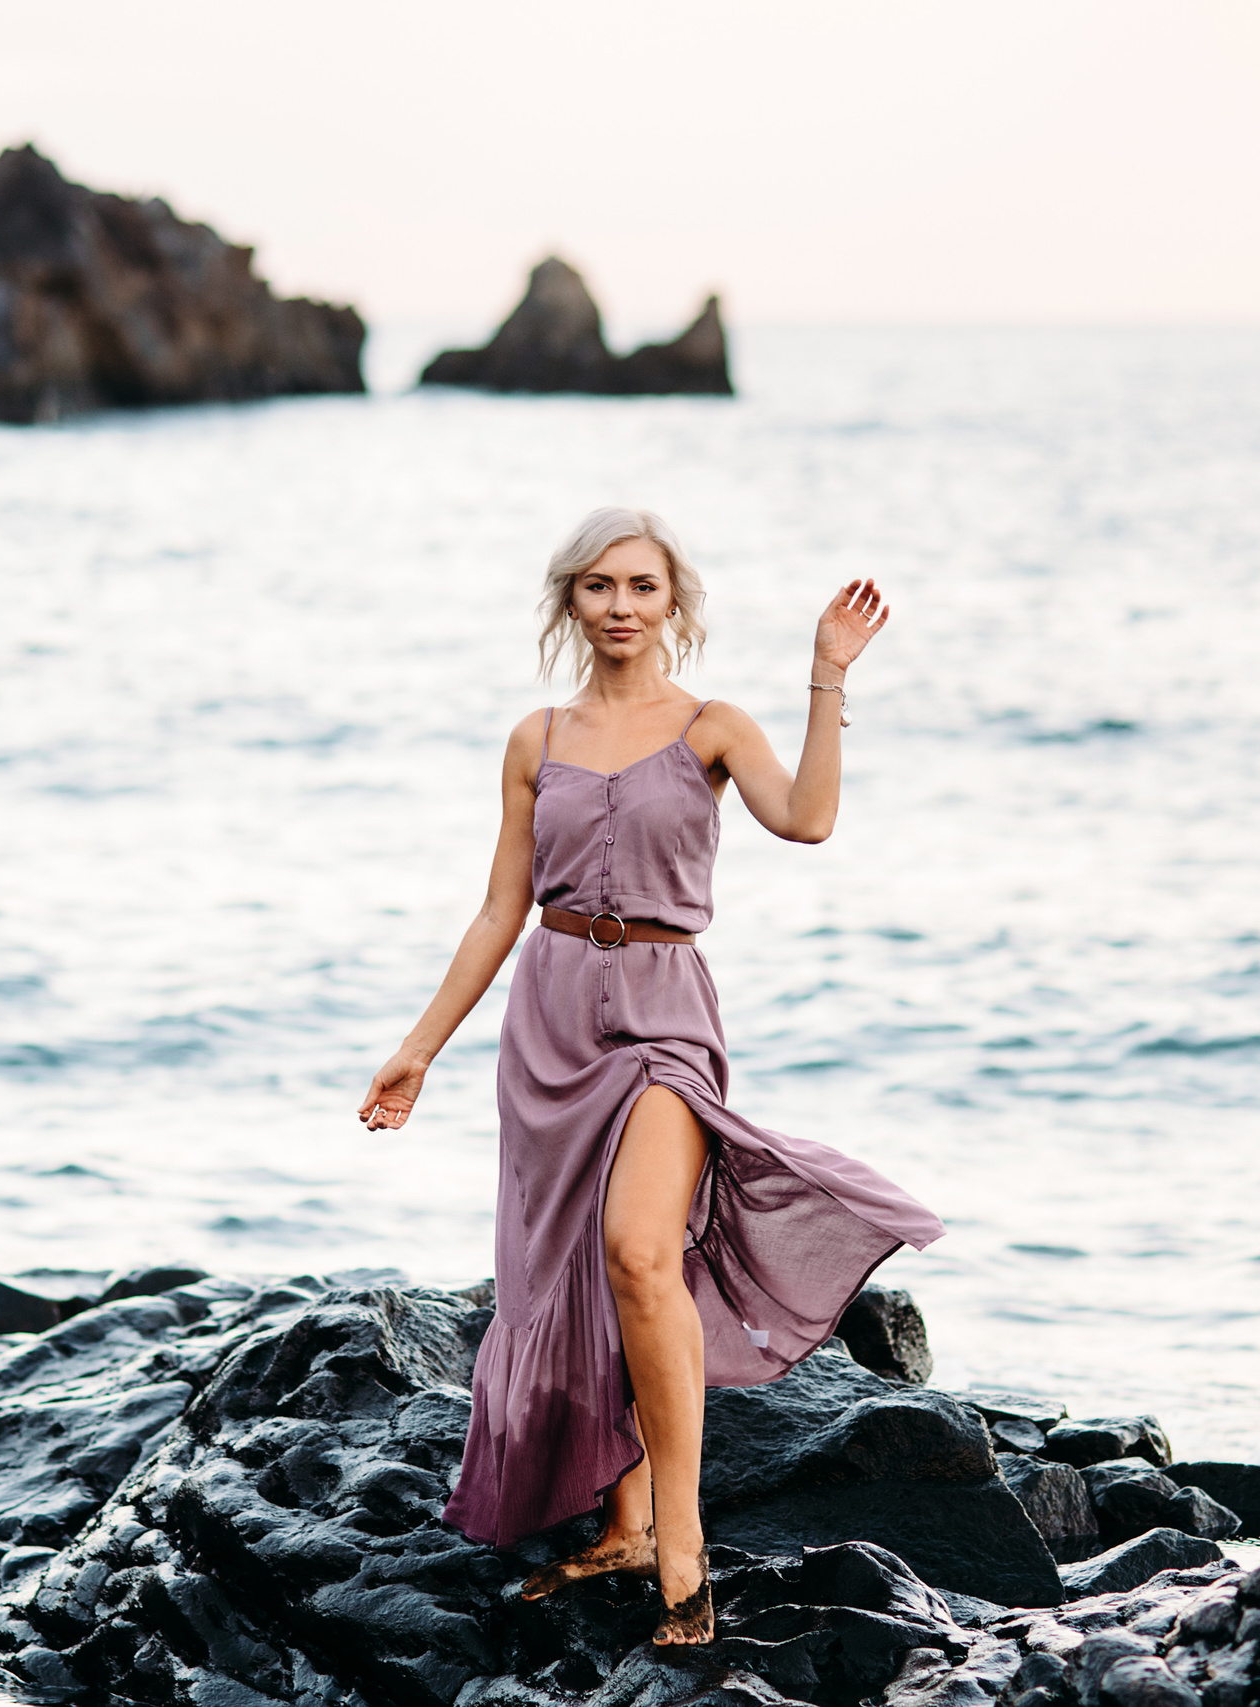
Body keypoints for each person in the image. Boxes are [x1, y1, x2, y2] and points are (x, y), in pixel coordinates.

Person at [356, 507, 944, 1646]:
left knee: (636, 1249)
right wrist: (418, 1047)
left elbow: (808, 819)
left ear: (673, 601)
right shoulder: (536, 738)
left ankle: (683, 1543)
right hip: (550, 1016)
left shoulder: (713, 725)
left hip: (667, 1015)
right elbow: (499, 910)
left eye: (640, 585)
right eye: (595, 587)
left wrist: (825, 675)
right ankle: (619, 1523)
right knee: (570, 1275)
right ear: (569, 604)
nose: (619, 605)